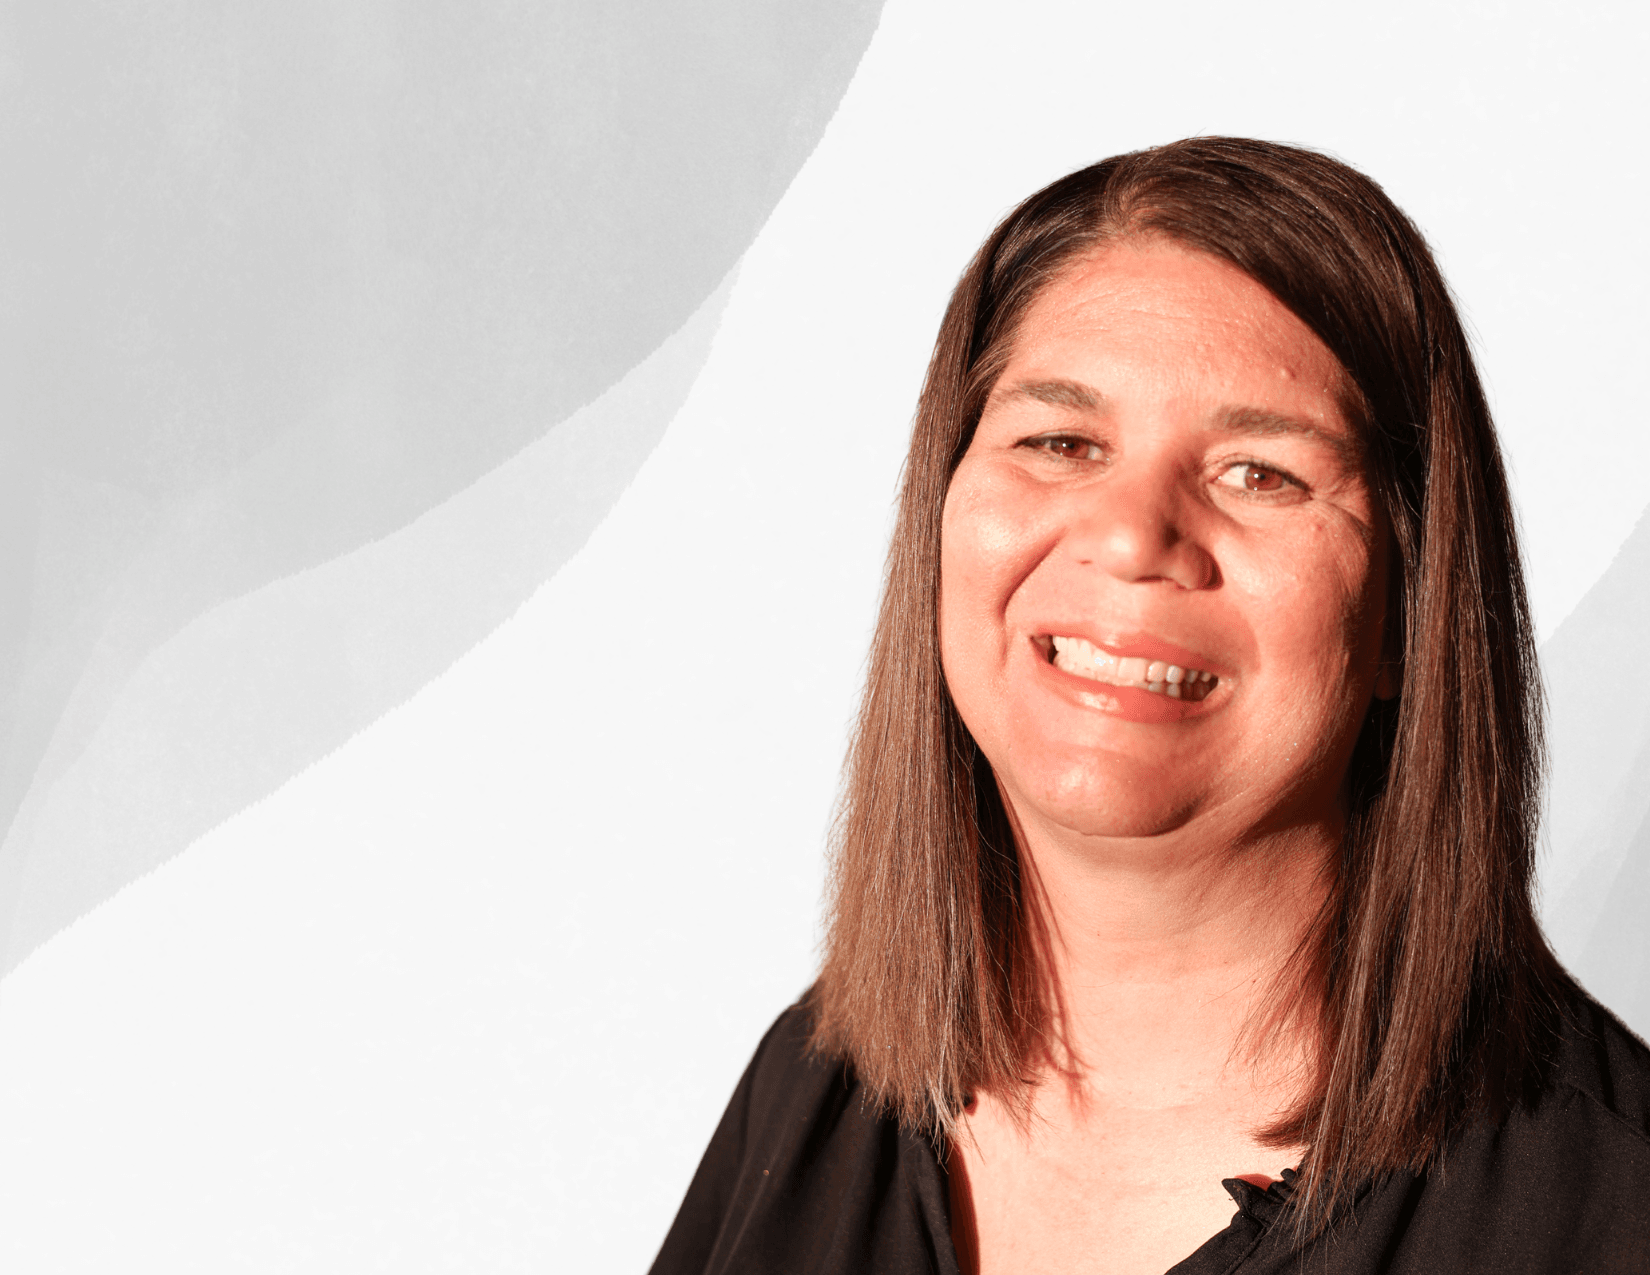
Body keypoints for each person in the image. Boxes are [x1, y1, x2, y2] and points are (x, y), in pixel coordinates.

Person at [649, 138, 1650, 1274]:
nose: (1132, 535)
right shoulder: (818, 1093)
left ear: (1408, 617)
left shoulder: (1612, 1213)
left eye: (1260, 472)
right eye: (1061, 442)